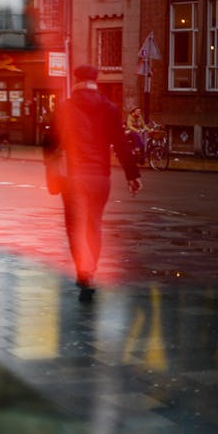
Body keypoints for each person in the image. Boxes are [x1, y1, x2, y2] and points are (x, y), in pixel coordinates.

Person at [57, 64, 142, 302]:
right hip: (100, 178)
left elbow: (50, 145)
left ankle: (83, 274)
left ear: (76, 81)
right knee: (94, 225)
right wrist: (132, 175)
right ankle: (90, 270)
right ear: (96, 81)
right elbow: (121, 143)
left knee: (75, 228)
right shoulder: (109, 109)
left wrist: (53, 177)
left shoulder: (65, 108)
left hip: (74, 178)